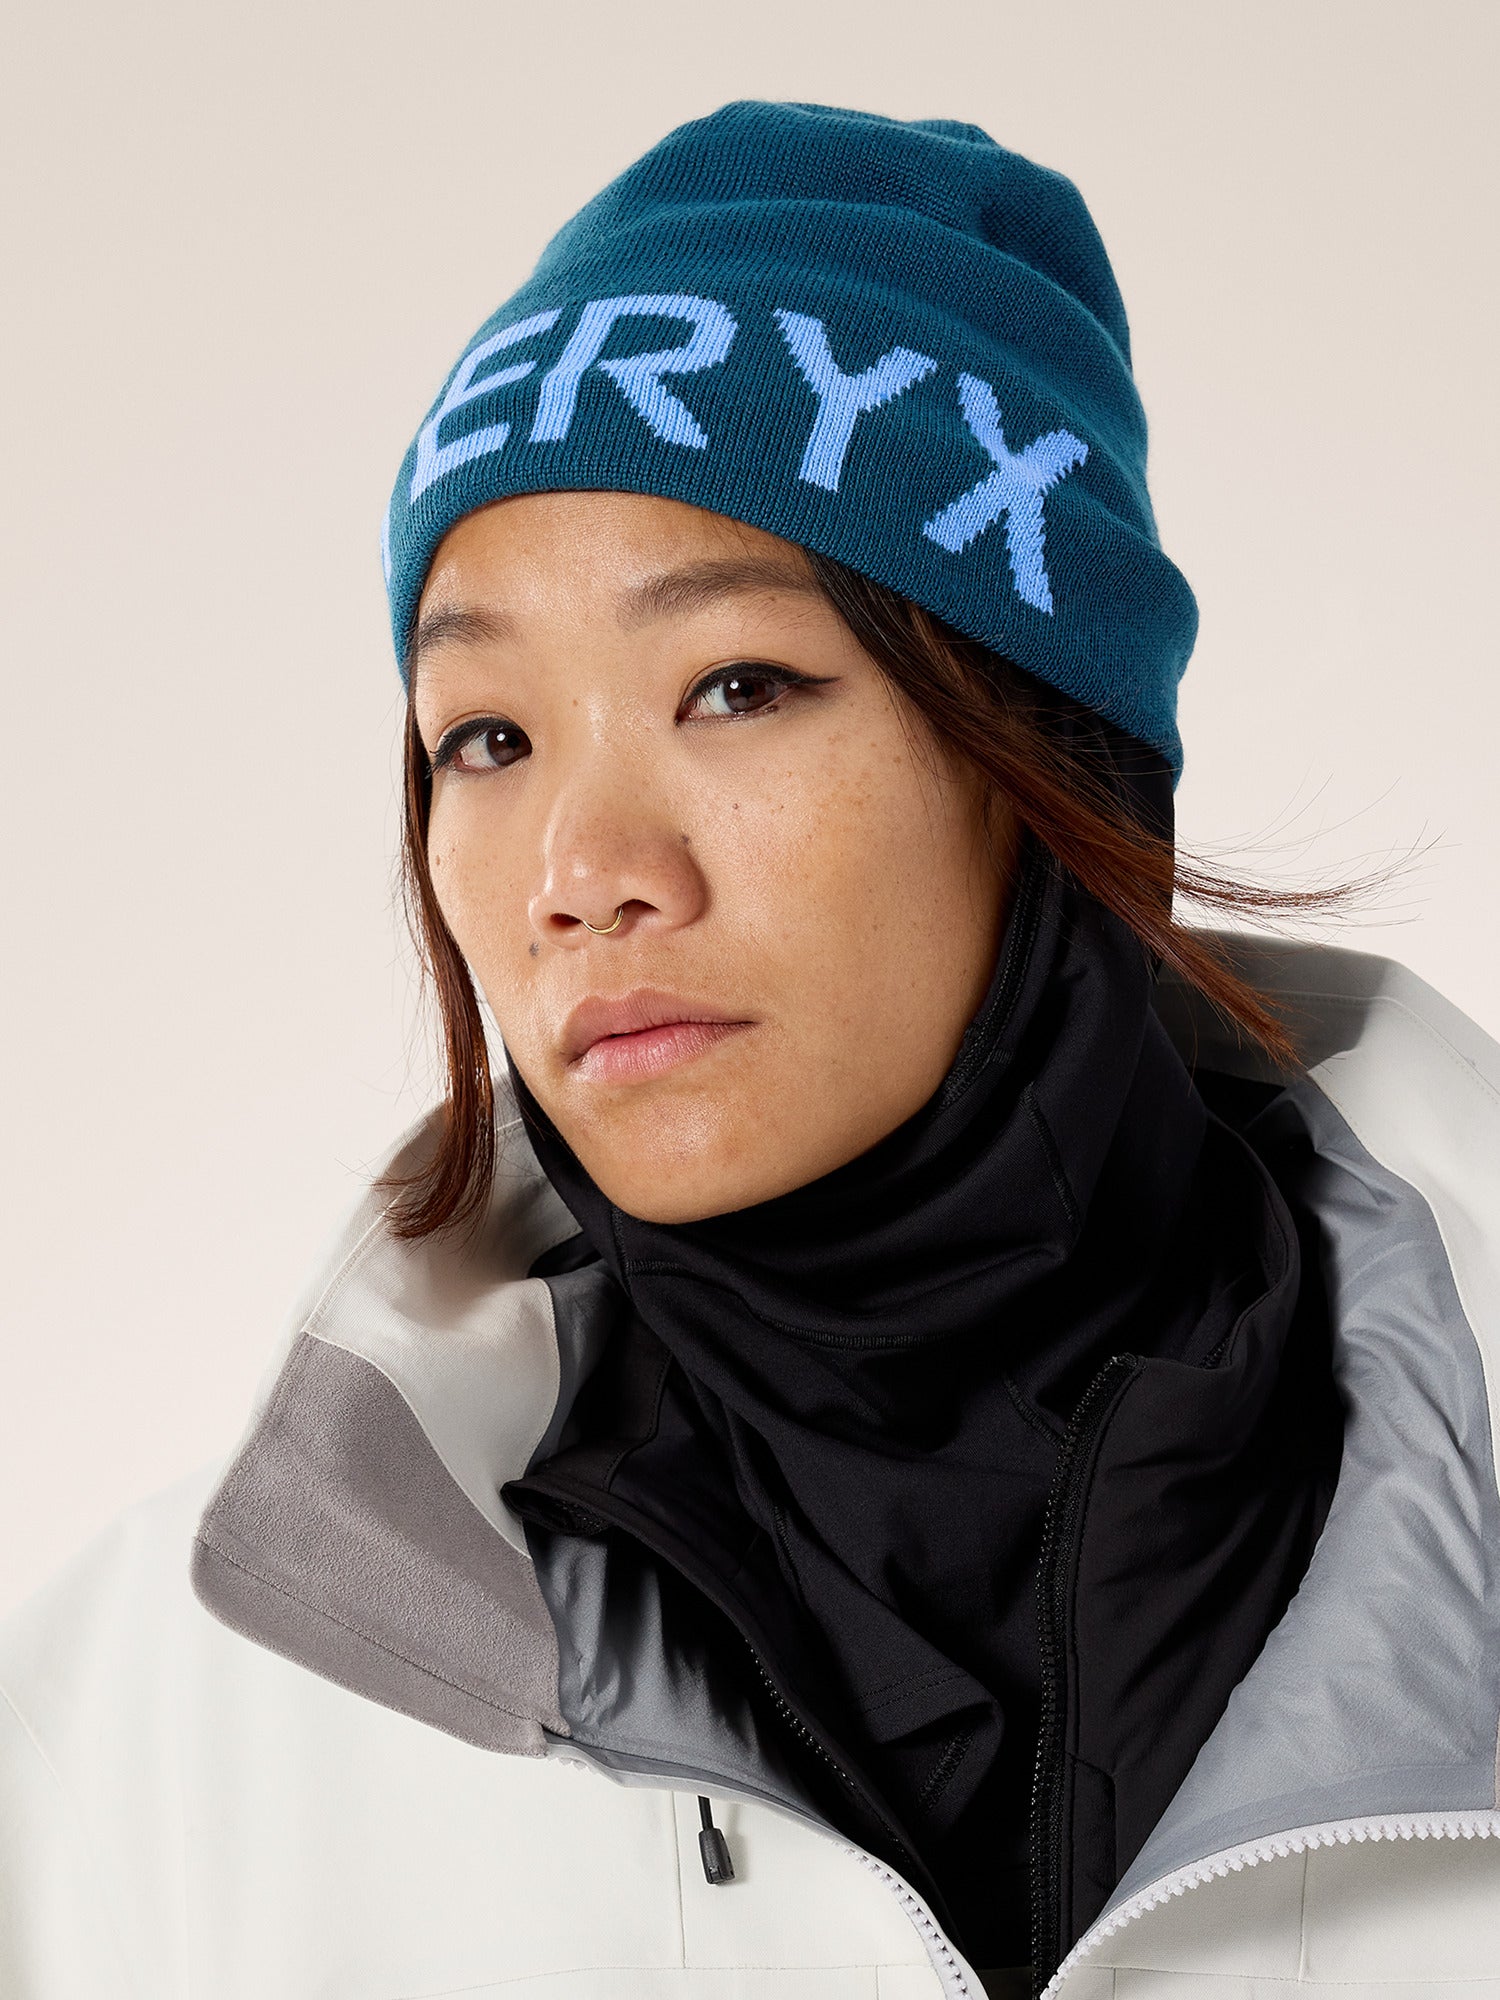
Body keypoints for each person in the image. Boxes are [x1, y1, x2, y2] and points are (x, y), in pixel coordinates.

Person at [1, 99, 1497, 2000]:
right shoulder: (147, 1749)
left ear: (1048, 755)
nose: (582, 874)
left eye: (736, 686)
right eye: (485, 737)